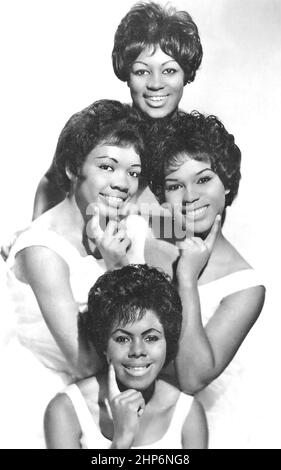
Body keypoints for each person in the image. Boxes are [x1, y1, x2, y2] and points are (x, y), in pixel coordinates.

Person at [2, 99, 148, 448]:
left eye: (132, 172)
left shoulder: (130, 228)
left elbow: (153, 327)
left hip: (112, 389)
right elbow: (84, 363)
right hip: (42, 393)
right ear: (72, 168)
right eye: (108, 167)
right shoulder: (42, 250)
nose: (122, 183)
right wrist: (118, 272)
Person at [145, 111, 266, 448]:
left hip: (200, 430)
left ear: (227, 183)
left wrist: (186, 278)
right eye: (174, 185)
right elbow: (93, 206)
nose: (189, 196)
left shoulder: (245, 285)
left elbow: (193, 377)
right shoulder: (154, 234)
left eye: (203, 179)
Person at [32, 1, 202, 219]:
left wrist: (142, 217)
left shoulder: (198, 140)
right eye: (142, 72)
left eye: (169, 70)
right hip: (99, 245)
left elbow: (197, 225)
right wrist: (36, 232)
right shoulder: (105, 127)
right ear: (127, 75)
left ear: (186, 74)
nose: (156, 83)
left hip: (166, 246)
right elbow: (51, 181)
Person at [44, 264, 208, 449]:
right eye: (122, 339)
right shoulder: (67, 409)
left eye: (151, 338)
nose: (137, 350)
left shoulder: (186, 412)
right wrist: (122, 439)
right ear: (104, 345)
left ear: (167, 342)